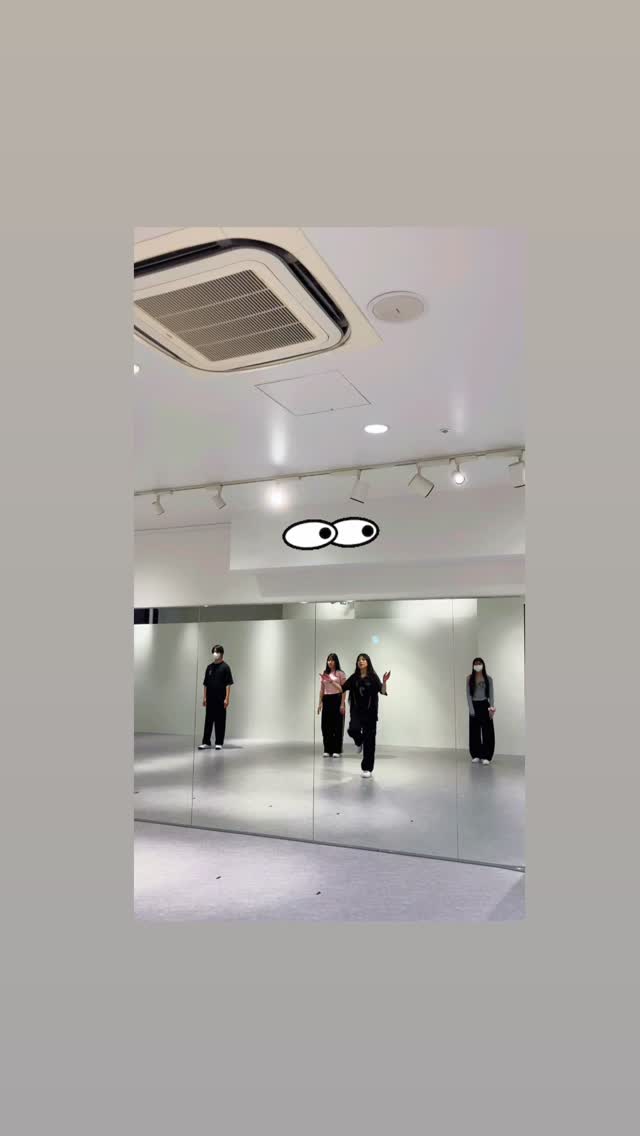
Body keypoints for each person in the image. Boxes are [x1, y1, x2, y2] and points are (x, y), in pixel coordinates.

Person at [341, 653, 390, 778]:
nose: (361, 661)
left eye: (363, 659)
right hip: (356, 712)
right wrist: (331, 682)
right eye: (359, 660)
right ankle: (359, 742)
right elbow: (342, 688)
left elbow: (382, 691)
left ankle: (367, 768)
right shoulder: (354, 677)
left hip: (370, 713)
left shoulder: (373, 677)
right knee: (353, 730)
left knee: (369, 741)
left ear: (368, 662)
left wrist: (384, 682)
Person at [198, 644, 233, 751]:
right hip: (210, 698)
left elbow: (228, 684)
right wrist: (205, 697)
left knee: (220, 721)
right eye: (213, 652)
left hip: (221, 699)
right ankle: (206, 742)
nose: (215, 654)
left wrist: (227, 698)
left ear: (221, 653)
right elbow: (205, 684)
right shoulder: (209, 667)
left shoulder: (225, 667)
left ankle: (219, 743)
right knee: (208, 721)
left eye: (217, 652)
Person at [317, 653, 347, 757]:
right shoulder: (325, 673)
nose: (330, 662)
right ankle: (327, 749)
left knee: (337, 726)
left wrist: (342, 704)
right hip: (327, 700)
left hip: (337, 699)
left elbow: (343, 689)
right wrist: (320, 703)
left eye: (332, 660)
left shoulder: (340, 673)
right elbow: (322, 689)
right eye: (329, 660)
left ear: (336, 661)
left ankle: (337, 750)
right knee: (325, 726)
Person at [467, 657, 496, 764]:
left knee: (487, 731)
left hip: (484, 705)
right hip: (474, 705)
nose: (477, 665)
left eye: (479, 663)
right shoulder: (469, 678)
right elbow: (468, 695)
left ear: (483, 665)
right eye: (475, 664)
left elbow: (491, 695)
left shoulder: (489, 679)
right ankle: (476, 754)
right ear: (473, 666)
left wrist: (491, 709)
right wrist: (471, 709)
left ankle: (486, 756)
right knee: (474, 731)